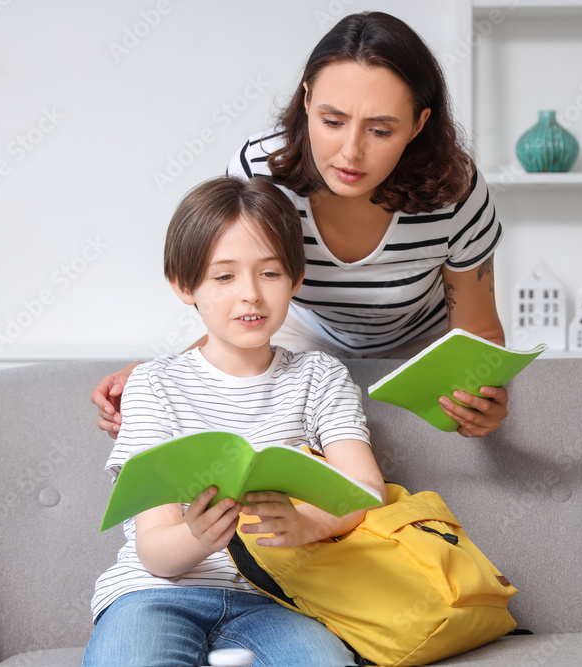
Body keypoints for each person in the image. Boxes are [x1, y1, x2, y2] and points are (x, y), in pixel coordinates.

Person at [93, 11, 508, 439]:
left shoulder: (453, 190)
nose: (350, 152)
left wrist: (483, 398)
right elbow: (237, 302)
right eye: (332, 121)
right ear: (307, 100)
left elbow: (477, 330)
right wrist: (155, 380)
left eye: (380, 130)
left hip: (421, 347)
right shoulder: (259, 170)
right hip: (297, 335)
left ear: (419, 124)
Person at [83, 176, 386, 667]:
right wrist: (197, 536)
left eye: (269, 273)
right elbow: (155, 552)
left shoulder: (319, 376)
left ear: (296, 277)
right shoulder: (154, 385)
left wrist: (309, 522)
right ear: (185, 285)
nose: (250, 295)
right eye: (224, 277)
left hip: (280, 598)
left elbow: (366, 488)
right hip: (156, 594)